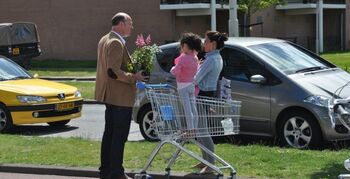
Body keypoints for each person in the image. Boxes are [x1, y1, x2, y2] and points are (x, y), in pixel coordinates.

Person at [95, 12, 147, 179]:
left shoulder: (105, 39)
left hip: (110, 96)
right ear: (121, 24)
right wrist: (135, 77)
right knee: (118, 137)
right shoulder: (116, 42)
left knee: (109, 135)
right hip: (119, 98)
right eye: (130, 23)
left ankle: (106, 171)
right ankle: (116, 173)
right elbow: (113, 71)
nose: (132, 27)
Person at [193, 30, 228, 174]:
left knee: (202, 130)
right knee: (200, 129)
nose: (203, 43)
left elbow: (196, 79)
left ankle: (211, 163)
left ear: (213, 44)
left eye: (206, 41)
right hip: (207, 94)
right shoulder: (214, 57)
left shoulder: (211, 60)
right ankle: (205, 160)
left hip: (203, 95)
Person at [170, 32, 202, 135]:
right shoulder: (195, 57)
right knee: (193, 108)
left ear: (186, 45)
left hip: (182, 86)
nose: (181, 47)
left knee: (187, 109)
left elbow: (175, 71)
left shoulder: (183, 58)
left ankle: (190, 129)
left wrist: (172, 68)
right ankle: (195, 127)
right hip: (191, 85)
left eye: (182, 45)